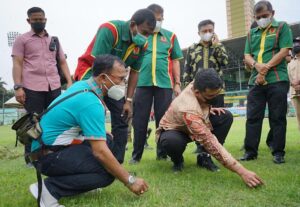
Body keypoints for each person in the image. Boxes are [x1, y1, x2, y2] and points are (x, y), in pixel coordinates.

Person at [29, 55, 149, 207]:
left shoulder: (82, 87)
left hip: (43, 150)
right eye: (120, 79)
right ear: (103, 78)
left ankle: (83, 184)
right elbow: (100, 152)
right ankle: (48, 190)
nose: (123, 83)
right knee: (107, 173)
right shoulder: (90, 102)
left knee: (107, 140)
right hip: (46, 156)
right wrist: (129, 180)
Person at [156, 69, 264, 188]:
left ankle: (204, 157)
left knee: (225, 116)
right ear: (197, 92)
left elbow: (200, 104)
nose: (214, 98)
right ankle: (177, 161)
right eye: (211, 96)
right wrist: (243, 172)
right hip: (175, 130)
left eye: (217, 94)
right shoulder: (188, 108)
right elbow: (210, 142)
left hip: (194, 121)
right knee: (171, 141)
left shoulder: (198, 82)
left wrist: (208, 109)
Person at [73, 9, 156, 163]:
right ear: (133, 25)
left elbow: (135, 73)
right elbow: (98, 68)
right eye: (144, 32)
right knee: (90, 114)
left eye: (149, 34)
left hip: (114, 80)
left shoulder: (142, 45)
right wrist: (99, 99)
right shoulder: (110, 30)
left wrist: (128, 101)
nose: (146, 37)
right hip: (92, 74)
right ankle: (84, 160)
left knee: (122, 117)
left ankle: (116, 163)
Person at [12, 7, 72, 167]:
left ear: (45, 19)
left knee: (56, 119)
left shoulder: (54, 40)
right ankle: (30, 157)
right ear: (29, 21)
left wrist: (70, 81)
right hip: (32, 86)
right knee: (32, 122)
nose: (39, 22)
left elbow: (62, 62)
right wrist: (18, 87)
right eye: (35, 20)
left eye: (42, 19)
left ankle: (53, 153)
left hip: (54, 87)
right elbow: (17, 63)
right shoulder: (22, 40)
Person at [129, 4, 183, 164]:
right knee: (139, 120)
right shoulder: (140, 34)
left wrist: (178, 83)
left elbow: (175, 61)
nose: (158, 22)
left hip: (164, 84)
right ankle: (136, 155)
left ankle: (162, 153)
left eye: (160, 19)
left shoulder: (170, 36)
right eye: (155, 19)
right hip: (142, 83)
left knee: (163, 121)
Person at [240, 0, 293, 164]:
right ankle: (250, 152)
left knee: (277, 117)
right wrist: (257, 65)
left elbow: (285, 50)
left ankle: (278, 153)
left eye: (265, 16)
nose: (262, 19)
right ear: (254, 17)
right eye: (258, 17)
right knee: (253, 117)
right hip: (255, 81)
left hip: (277, 79)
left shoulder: (282, 27)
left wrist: (265, 68)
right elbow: (247, 55)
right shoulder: (252, 33)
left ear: (273, 13)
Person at [182, 19, 228, 171]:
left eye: (210, 30)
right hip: (198, 93)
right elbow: (187, 70)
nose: (208, 33)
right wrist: (185, 91)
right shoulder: (192, 49)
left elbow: (225, 62)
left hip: (217, 91)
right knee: (199, 120)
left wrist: (218, 45)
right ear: (199, 33)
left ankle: (211, 152)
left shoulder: (218, 46)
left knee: (218, 120)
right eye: (204, 31)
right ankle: (201, 150)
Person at [288, 37, 300, 131]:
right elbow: (288, 77)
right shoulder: (290, 62)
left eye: (298, 43)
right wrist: (293, 84)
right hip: (294, 93)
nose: (296, 45)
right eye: (295, 43)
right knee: (299, 117)